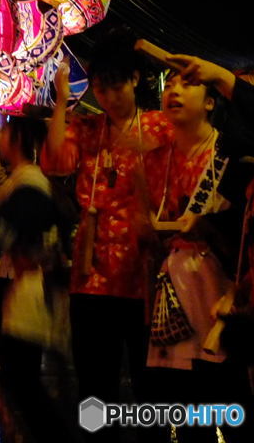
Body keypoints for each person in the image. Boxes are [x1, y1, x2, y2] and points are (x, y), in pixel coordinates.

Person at [42, 32, 171, 438]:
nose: (110, 96)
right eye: (101, 88)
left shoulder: (159, 126)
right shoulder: (87, 127)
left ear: (135, 80)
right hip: (91, 275)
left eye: (117, 85)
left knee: (150, 384)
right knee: (94, 385)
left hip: (142, 275)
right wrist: (62, 100)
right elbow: (56, 162)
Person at [143, 62, 254, 442]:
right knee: (187, 413)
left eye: (186, 84)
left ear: (211, 102)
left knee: (227, 398)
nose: (173, 90)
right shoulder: (156, 158)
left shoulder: (231, 154)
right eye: (169, 84)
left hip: (219, 288)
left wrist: (206, 227)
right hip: (173, 292)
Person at [0, 117, 73, 443]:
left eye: (5, 131)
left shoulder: (27, 184)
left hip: (31, 286)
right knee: (22, 374)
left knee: (20, 374)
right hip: (30, 285)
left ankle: (51, 435)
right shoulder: (26, 180)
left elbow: (15, 235)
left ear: (17, 138)